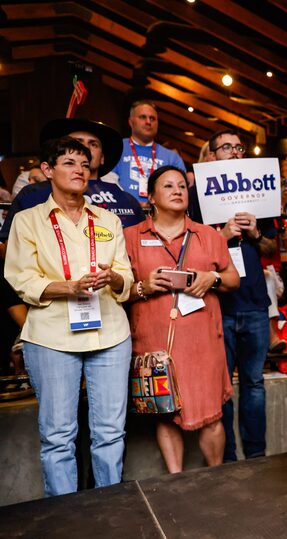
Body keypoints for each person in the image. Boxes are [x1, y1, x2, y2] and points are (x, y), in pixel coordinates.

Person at [4, 137, 134, 496]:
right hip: (51, 337)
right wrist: (69, 287)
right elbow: (20, 276)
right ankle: (64, 522)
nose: (80, 170)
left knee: (110, 432)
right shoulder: (28, 219)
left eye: (84, 164)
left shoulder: (107, 219)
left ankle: (110, 510)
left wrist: (116, 277)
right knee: (58, 436)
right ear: (47, 170)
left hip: (110, 333)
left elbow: (127, 273)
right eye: (69, 163)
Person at [124, 166, 240, 472]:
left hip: (202, 340)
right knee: (164, 410)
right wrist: (143, 286)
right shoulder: (131, 238)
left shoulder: (209, 235)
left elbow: (233, 279)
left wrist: (211, 277)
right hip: (154, 339)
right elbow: (118, 290)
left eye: (182, 186)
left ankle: (216, 476)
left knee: (211, 412)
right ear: (151, 196)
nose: (178, 191)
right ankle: (174, 480)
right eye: (168, 186)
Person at [188, 129, 279, 463]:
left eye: (238, 147)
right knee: (222, 387)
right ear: (210, 155)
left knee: (254, 384)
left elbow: (271, 248)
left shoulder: (260, 194)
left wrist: (255, 233)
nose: (233, 151)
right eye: (225, 146)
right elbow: (189, 252)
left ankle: (257, 456)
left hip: (255, 303)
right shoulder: (197, 194)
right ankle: (225, 460)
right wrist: (220, 236)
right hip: (217, 304)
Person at [0, 118, 146, 244]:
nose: (84, 148)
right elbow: (10, 248)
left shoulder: (126, 201)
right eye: (76, 143)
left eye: (93, 144)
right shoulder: (32, 194)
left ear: (102, 158)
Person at [112, 100, 186, 203]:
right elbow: (108, 184)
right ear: (131, 122)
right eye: (143, 117)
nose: (148, 122)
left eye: (152, 118)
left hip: (161, 215)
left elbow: (181, 192)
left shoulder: (172, 158)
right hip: (123, 213)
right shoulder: (116, 148)